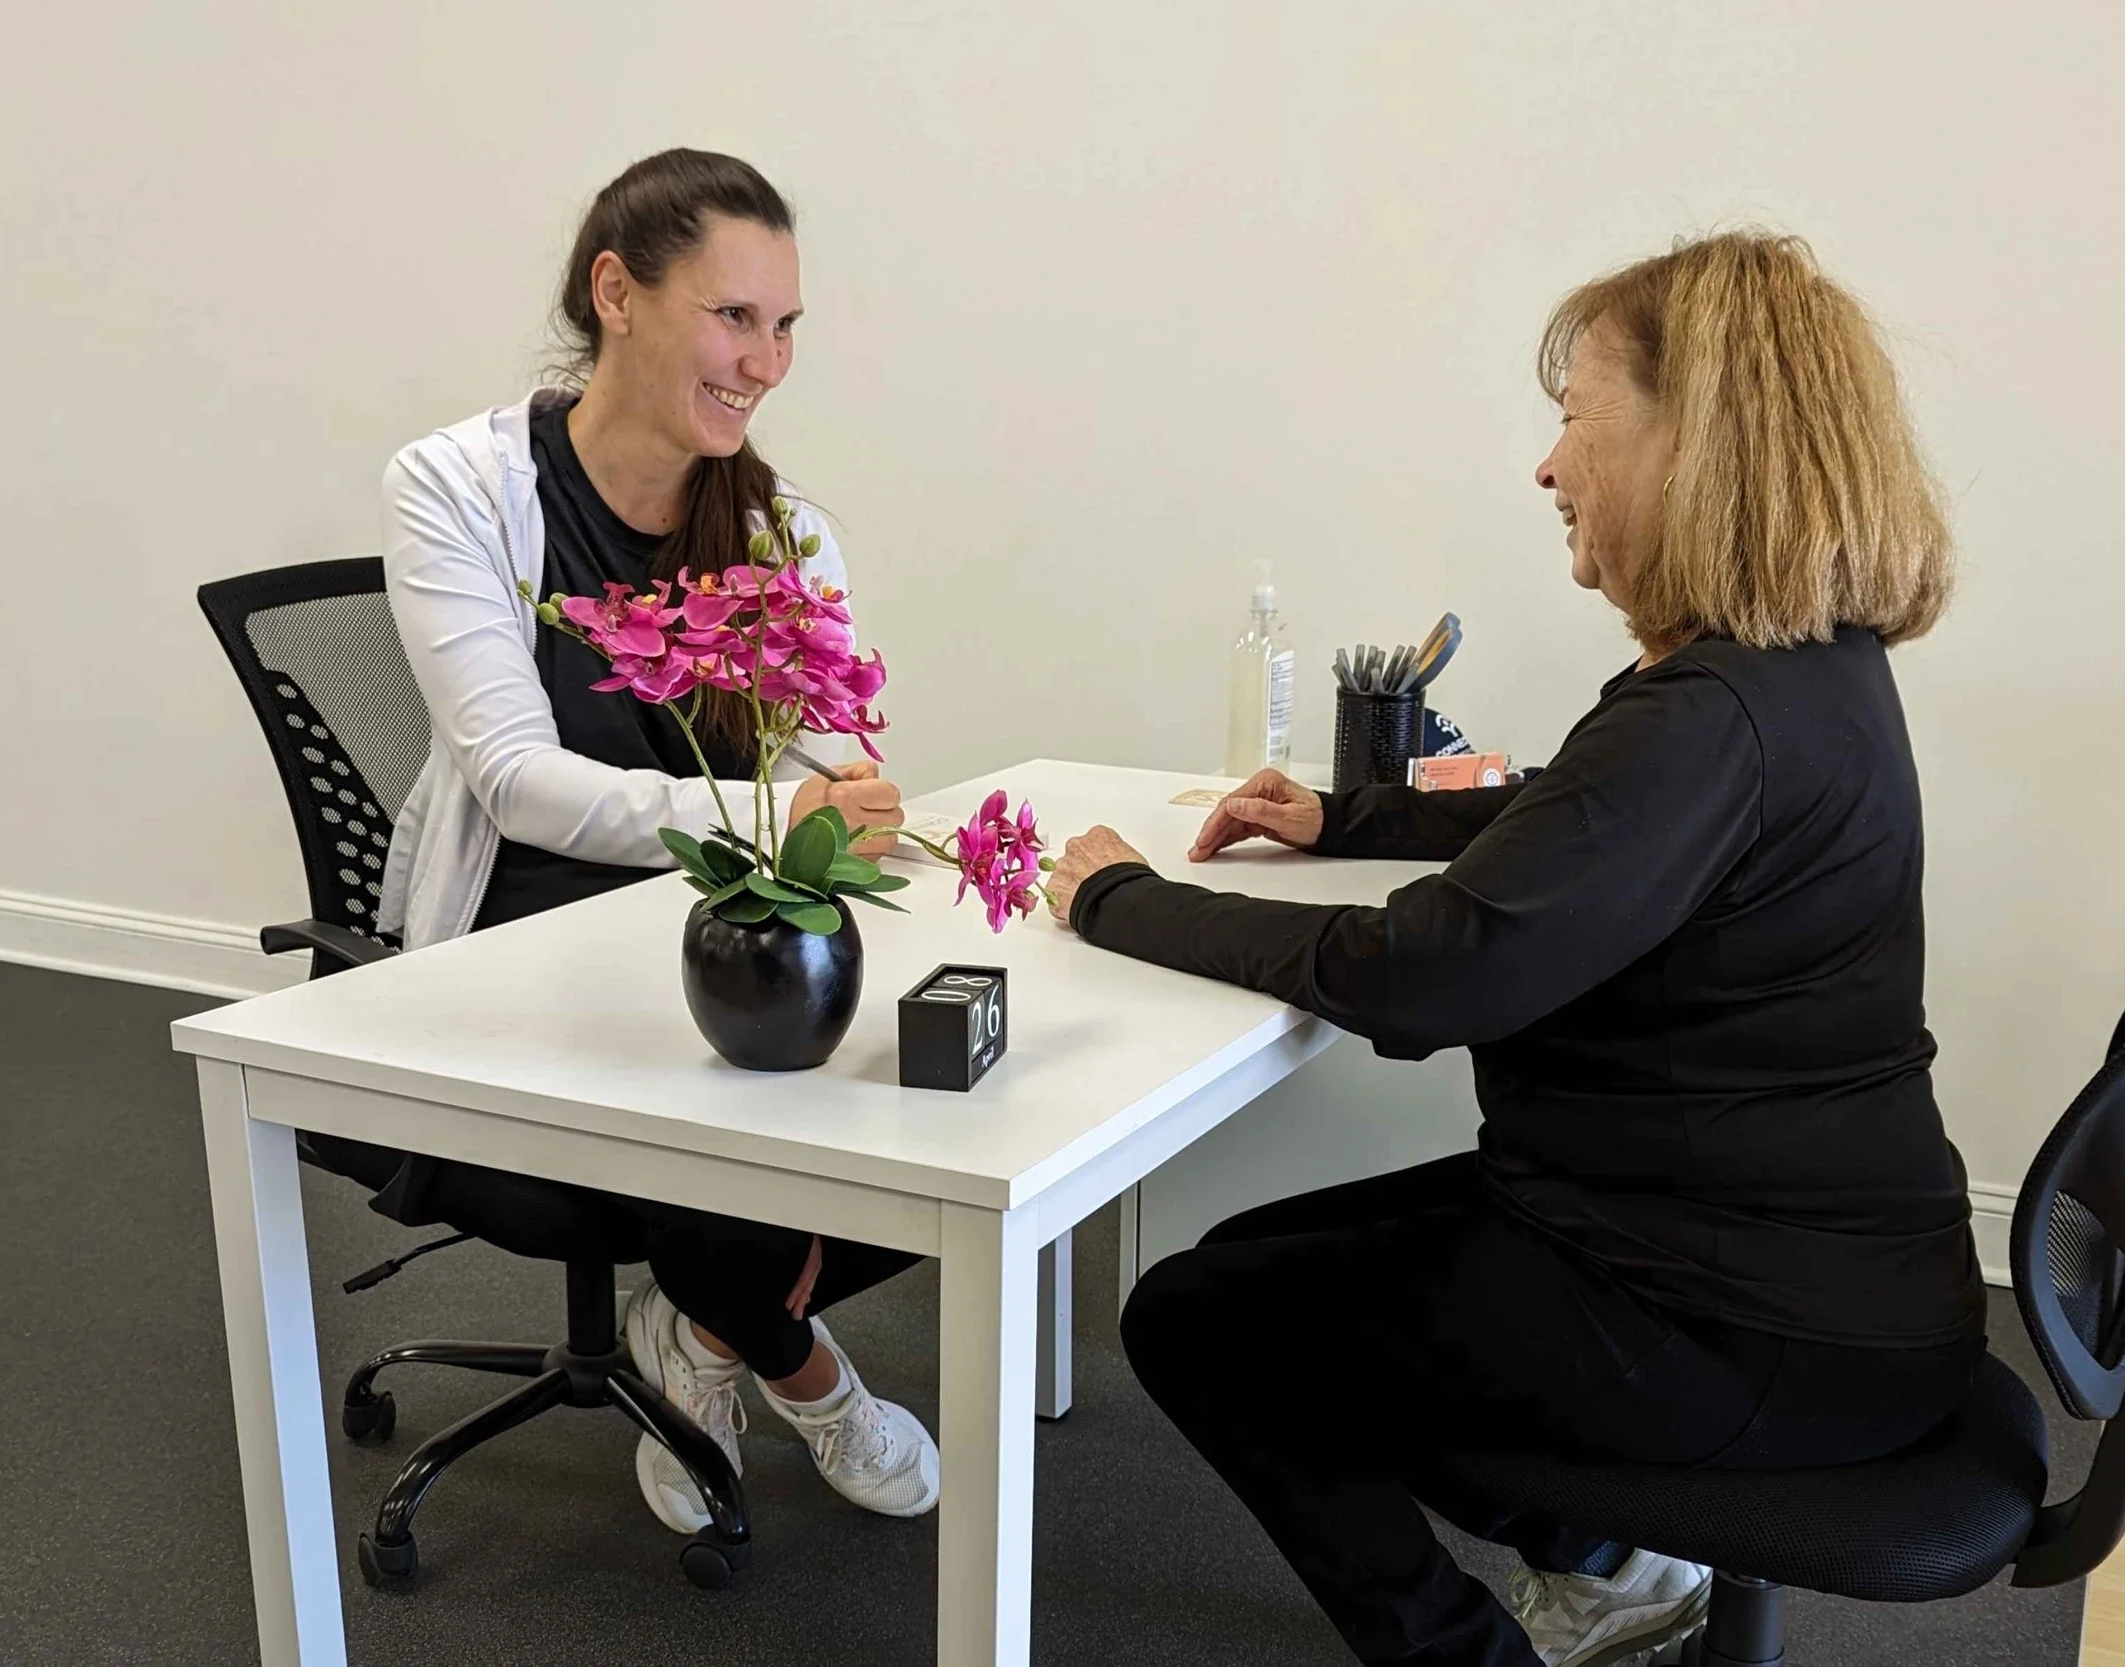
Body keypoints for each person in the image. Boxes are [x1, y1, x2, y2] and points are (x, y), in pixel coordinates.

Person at [1044, 231, 1981, 1667]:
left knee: (1197, 1317)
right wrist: (1345, 810)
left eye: (1574, 420)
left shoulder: (1712, 711)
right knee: (1252, 1263)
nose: (1547, 468)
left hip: (1735, 1323)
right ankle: (1612, 1570)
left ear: (1694, 439)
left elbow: (1414, 972)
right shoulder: (1800, 674)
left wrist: (1114, 897)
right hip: (1801, 1273)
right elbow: (1572, 810)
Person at [348, 149, 937, 1538]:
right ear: (617, 293)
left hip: (717, 916)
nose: (767, 360)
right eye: (737, 318)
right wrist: (767, 815)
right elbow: (514, 777)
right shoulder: (458, 486)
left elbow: (821, 745)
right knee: (726, 1125)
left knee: (932, 1111)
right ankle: (795, 1363)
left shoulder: (782, 525)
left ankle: (698, 1335)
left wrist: (829, 794)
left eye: (787, 326)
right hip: (521, 938)